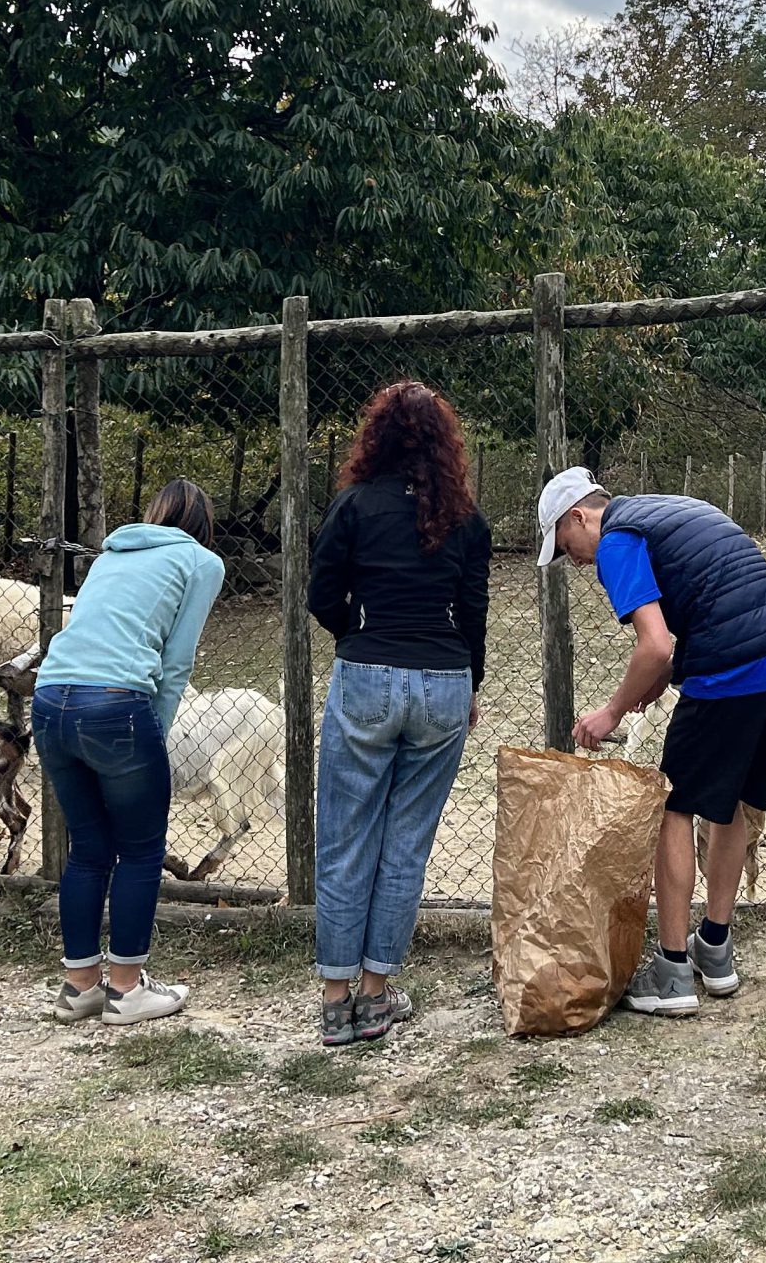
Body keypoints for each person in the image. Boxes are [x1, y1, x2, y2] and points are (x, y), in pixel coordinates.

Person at [550, 468, 766, 1016]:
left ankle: (671, 975)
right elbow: (704, 603)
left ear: (579, 517)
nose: (573, 561)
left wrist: (611, 713)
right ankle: (714, 949)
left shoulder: (617, 540)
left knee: (675, 808)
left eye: (565, 546)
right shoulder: (670, 508)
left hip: (731, 669)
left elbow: (657, 645)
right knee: (730, 802)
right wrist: (653, 685)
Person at [307, 381, 492, 1048]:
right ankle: (376, 995)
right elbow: (473, 614)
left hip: (367, 673)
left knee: (346, 840)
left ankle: (335, 1002)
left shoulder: (353, 506)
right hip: (444, 682)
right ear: (446, 443)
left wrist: (356, 635)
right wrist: (469, 682)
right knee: (405, 845)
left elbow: (320, 594)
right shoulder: (467, 521)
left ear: (375, 436)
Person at [31, 478, 225, 1027]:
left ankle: (80, 988)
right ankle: (125, 990)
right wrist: (154, 734)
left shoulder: (109, 554)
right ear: (202, 523)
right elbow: (177, 660)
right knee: (141, 851)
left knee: (89, 849)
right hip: (117, 705)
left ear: (153, 516)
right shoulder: (201, 562)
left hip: (51, 701)